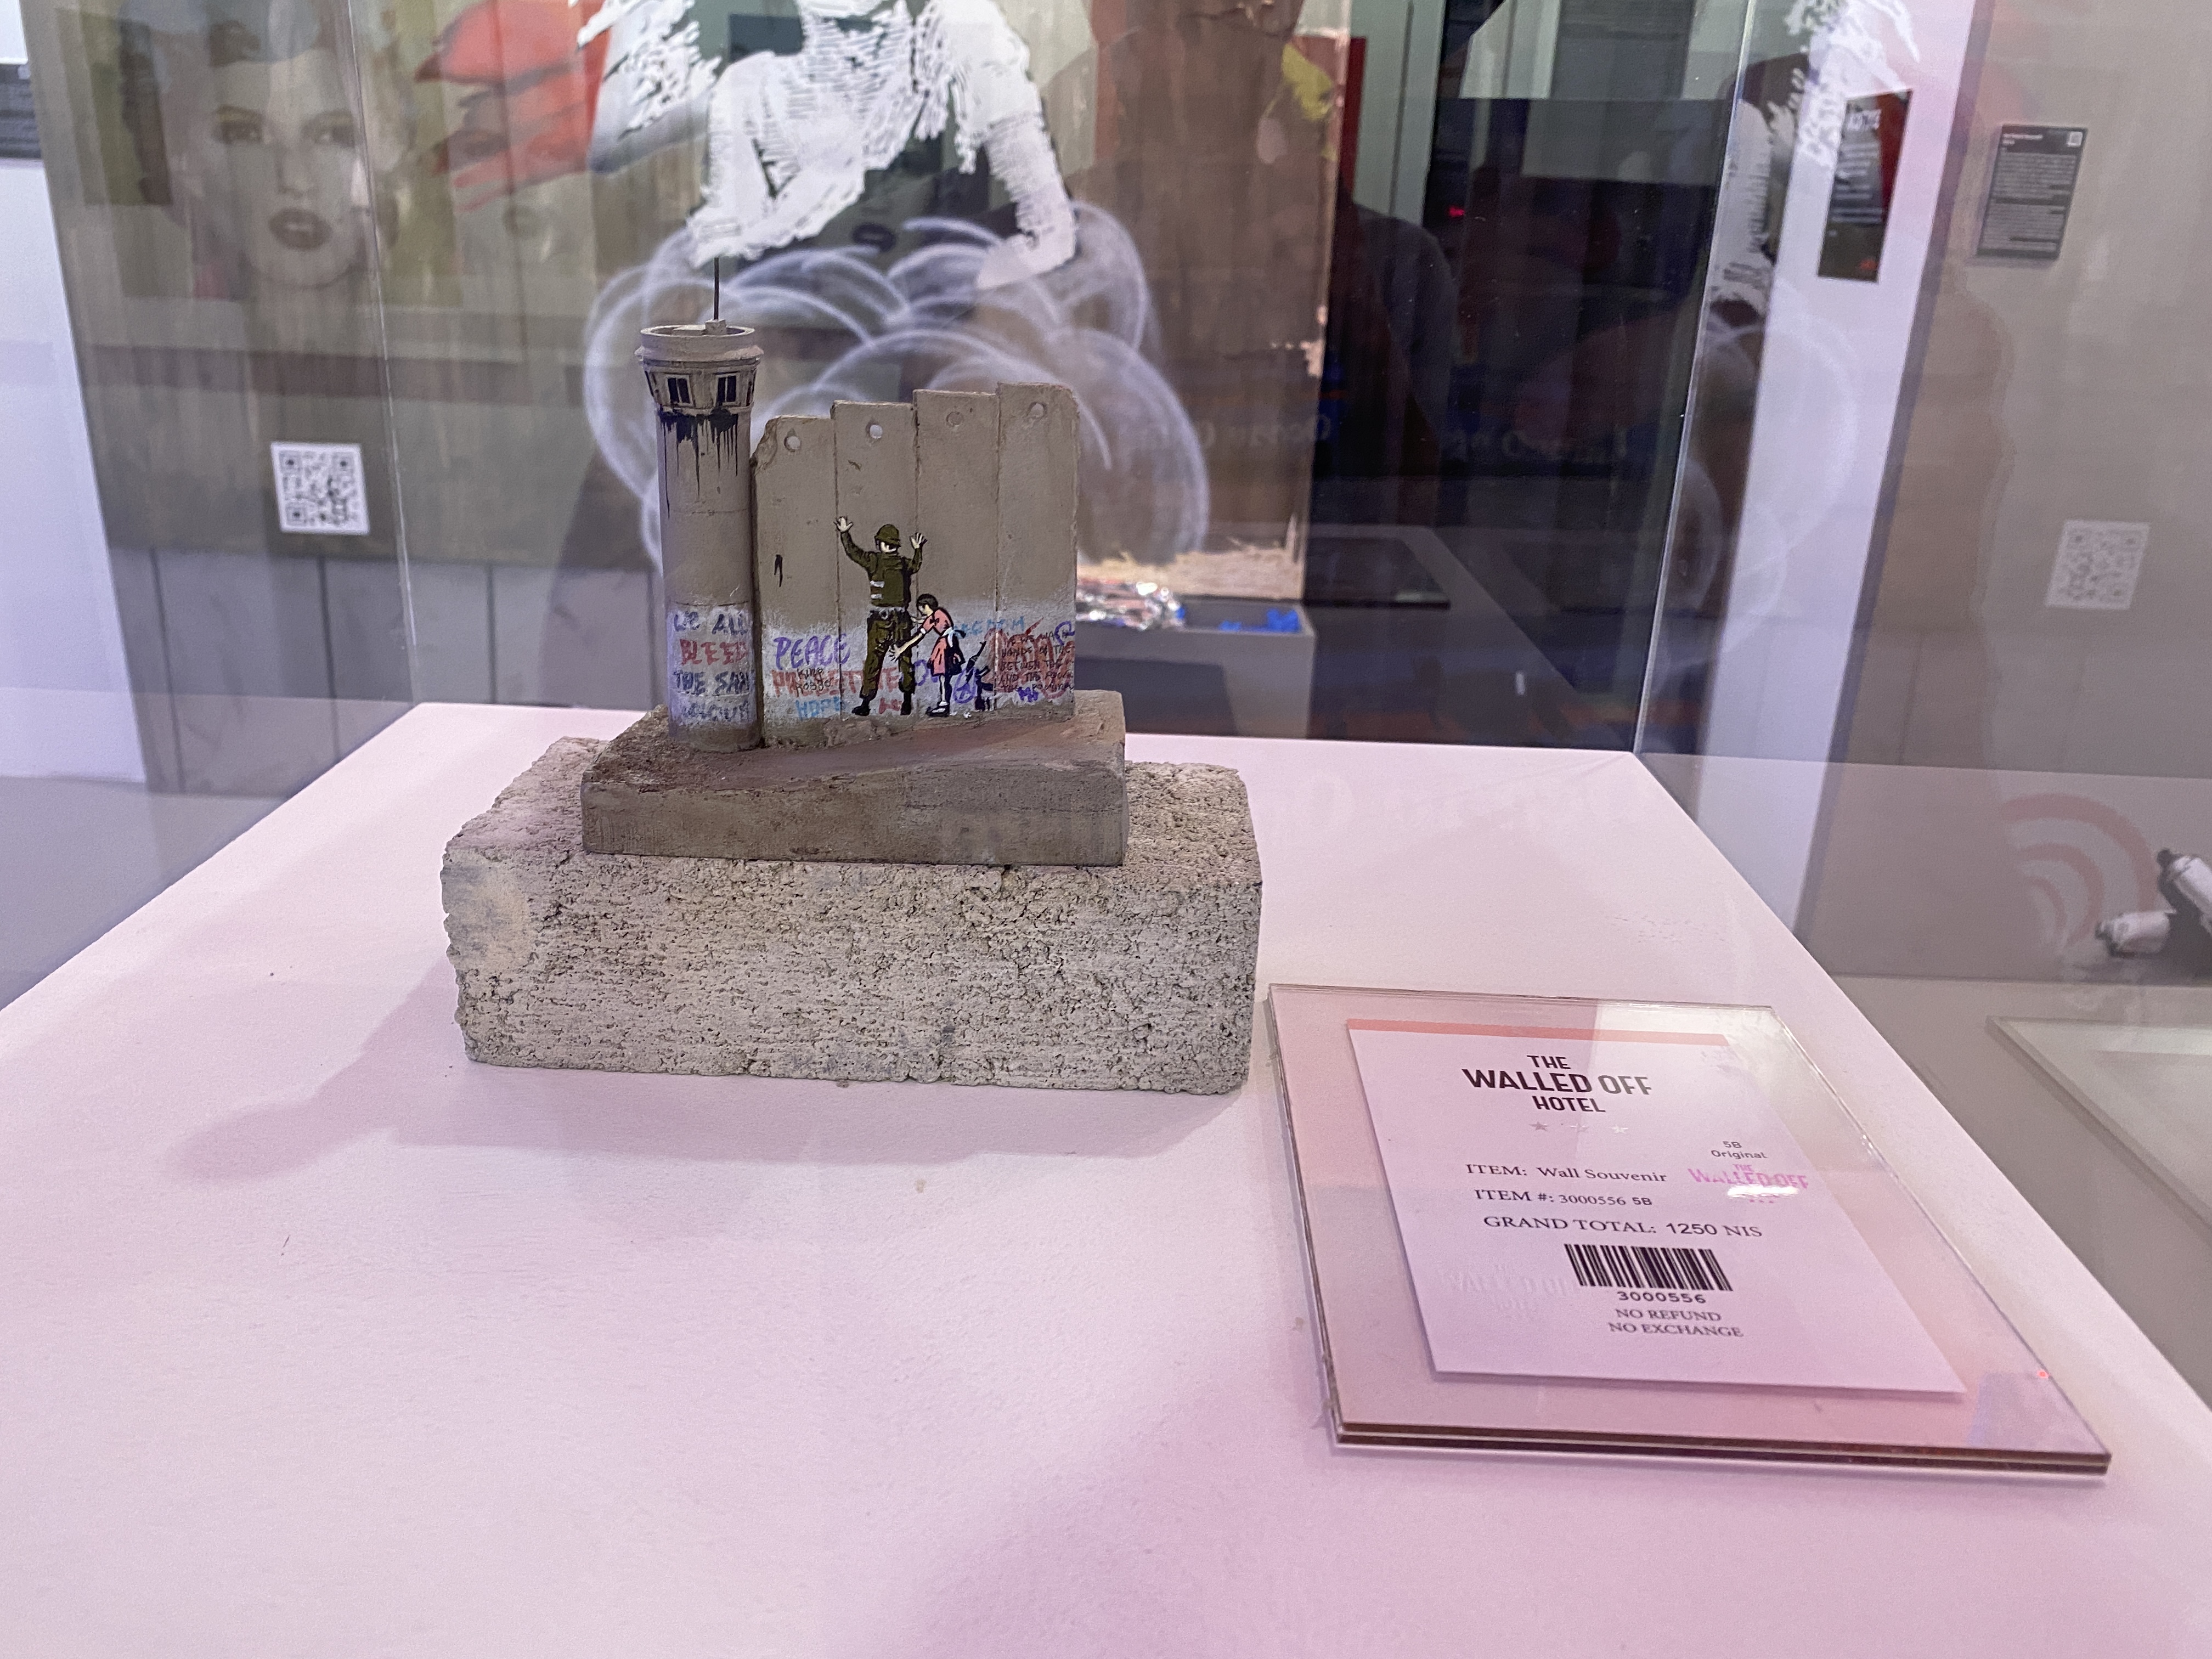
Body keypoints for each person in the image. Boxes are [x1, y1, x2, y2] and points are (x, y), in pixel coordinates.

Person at [837, 515, 926, 714]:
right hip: (901, 620)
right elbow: (916, 565)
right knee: (905, 659)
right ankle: (907, 701)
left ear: (881, 544)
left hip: (880, 621)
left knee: (874, 661)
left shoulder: (874, 561)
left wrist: (845, 534)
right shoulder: (903, 563)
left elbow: (853, 553)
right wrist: (918, 549)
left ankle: (866, 704)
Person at [899, 592, 962, 716]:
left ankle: (944, 705)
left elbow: (920, 635)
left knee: (944, 677)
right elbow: (929, 620)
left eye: (921, 609)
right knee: (944, 678)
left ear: (926, 606)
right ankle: (943, 704)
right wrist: (917, 620)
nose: (921, 612)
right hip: (949, 644)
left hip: (945, 646)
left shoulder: (936, 616)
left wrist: (902, 648)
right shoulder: (940, 613)